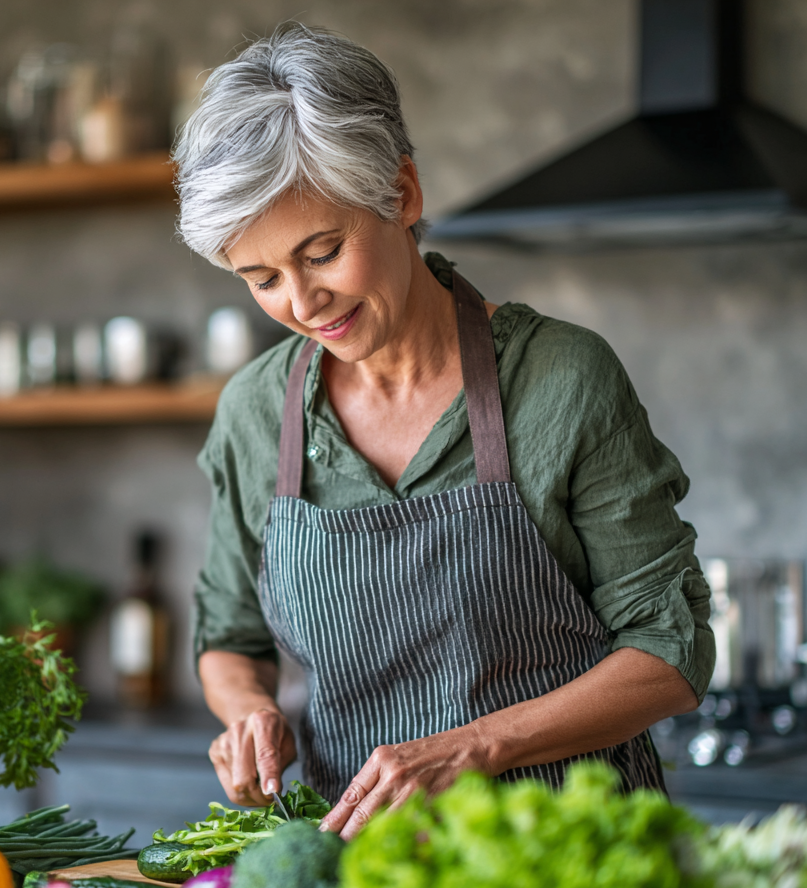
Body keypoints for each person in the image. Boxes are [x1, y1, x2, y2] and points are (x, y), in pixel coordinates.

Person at [174, 23, 710, 840]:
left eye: (322, 252)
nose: (301, 303)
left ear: (403, 193)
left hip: (568, 860)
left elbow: (670, 655)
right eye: (262, 279)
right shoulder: (256, 411)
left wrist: (476, 747)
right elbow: (227, 635)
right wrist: (248, 710)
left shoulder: (561, 379)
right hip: (359, 873)